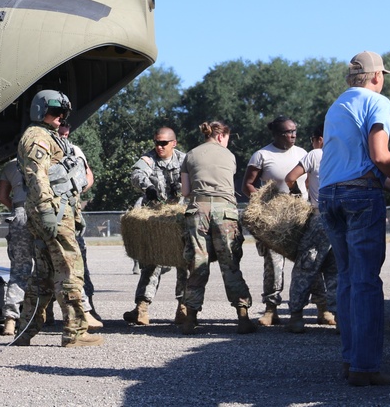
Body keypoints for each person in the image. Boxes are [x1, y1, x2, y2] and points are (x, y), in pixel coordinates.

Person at [318, 51, 390, 387]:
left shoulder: (337, 106)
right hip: (360, 196)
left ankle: (351, 362)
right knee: (365, 282)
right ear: (377, 76)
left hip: (329, 195)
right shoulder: (377, 101)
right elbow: (380, 155)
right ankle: (366, 368)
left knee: (348, 280)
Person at [13, 90, 102, 347]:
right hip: (52, 212)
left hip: (55, 211)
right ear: (41, 111)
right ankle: (75, 333)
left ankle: (25, 331)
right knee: (70, 270)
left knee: (43, 274)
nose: (60, 117)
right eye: (55, 111)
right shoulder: (37, 137)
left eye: (62, 113)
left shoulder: (49, 137)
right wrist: (46, 210)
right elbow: (37, 176)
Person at [178, 121, 256, 335]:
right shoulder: (228, 155)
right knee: (229, 263)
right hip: (225, 212)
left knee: (197, 263)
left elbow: (185, 191)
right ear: (222, 136)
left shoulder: (190, 155)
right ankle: (243, 317)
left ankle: (190, 318)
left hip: (197, 211)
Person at [242, 116, 307, 326]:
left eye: (295, 131)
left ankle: (322, 306)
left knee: (310, 262)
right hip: (274, 220)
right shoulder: (262, 155)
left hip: (302, 217)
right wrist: (263, 205)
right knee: (274, 264)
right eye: (288, 132)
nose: (293, 135)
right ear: (277, 135)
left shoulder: (303, 154)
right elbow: (248, 185)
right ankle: (271, 309)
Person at [123, 127, 188, 326]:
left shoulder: (185, 160)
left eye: (164, 143)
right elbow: (136, 175)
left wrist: (185, 186)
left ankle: (184, 309)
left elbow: (197, 178)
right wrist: (147, 187)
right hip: (156, 219)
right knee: (152, 263)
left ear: (174, 143)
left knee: (184, 262)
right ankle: (142, 309)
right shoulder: (148, 159)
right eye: (157, 143)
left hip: (179, 217)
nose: (159, 147)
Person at [283, 125, 338, 331]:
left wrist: (295, 191)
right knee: (336, 270)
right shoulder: (345, 152)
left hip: (320, 217)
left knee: (305, 267)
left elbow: (290, 177)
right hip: (342, 218)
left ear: (320, 139)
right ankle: (340, 317)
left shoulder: (315, 154)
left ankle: (296, 316)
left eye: (313, 139)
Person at [59, 122, 103, 325]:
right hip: (54, 213)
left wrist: (75, 190)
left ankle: (88, 310)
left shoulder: (75, 150)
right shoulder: (43, 146)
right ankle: (45, 316)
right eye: (61, 128)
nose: (65, 131)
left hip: (72, 214)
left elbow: (89, 176)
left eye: (68, 128)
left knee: (81, 265)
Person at [0, 157, 33, 336]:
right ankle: (44, 314)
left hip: (20, 214)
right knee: (48, 266)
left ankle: (10, 320)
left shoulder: (10, 165)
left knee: (19, 269)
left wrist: (18, 209)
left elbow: (2, 197)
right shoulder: (49, 157)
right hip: (44, 212)